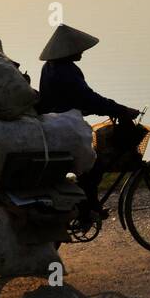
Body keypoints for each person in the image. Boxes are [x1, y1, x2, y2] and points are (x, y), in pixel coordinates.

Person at [36, 24, 140, 221]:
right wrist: (121, 110)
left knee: (90, 167)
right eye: (78, 48)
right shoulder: (67, 70)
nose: (82, 51)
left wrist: (100, 108)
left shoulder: (50, 67)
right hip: (64, 130)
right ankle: (87, 209)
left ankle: (86, 205)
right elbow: (88, 98)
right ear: (69, 51)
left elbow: (69, 100)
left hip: (54, 126)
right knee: (95, 164)